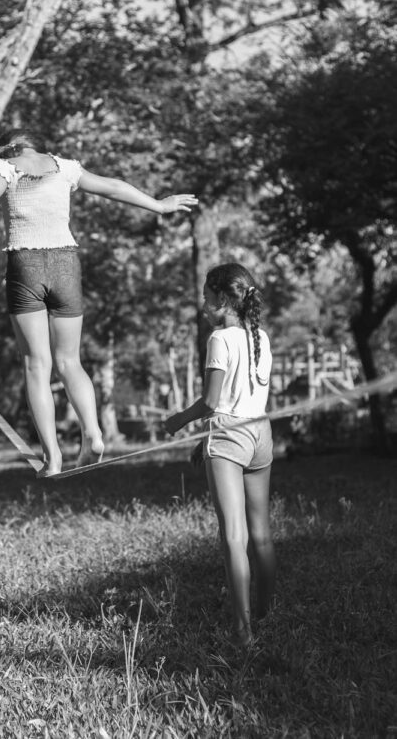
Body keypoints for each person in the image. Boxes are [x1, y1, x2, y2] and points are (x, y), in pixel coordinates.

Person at [0, 128, 198, 477]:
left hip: (25, 264)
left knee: (36, 365)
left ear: (7, 149)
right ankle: (93, 432)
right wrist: (159, 205)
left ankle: (53, 457)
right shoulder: (65, 167)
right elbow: (114, 186)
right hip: (65, 265)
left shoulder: (5, 168)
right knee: (69, 360)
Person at [163, 262, 276, 646]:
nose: (204, 304)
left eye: (208, 297)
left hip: (228, 437)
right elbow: (243, 399)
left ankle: (243, 632)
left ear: (224, 298)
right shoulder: (260, 336)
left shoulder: (219, 338)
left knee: (233, 536)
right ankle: (264, 612)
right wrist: (204, 442)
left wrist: (177, 421)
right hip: (260, 434)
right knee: (260, 535)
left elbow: (213, 403)